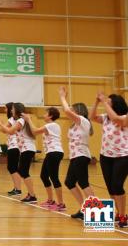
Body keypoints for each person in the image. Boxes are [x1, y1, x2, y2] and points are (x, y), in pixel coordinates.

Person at [59, 86, 96, 220]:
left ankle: (95, 211)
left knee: (83, 183)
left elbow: (66, 110)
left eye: (74, 110)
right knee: (69, 182)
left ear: (78, 111)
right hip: (75, 156)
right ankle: (84, 209)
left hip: (81, 155)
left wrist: (63, 97)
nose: (71, 113)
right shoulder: (75, 125)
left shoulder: (83, 121)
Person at [92, 92, 128, 228]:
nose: (106, 102)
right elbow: (92, 117)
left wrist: (104, 102)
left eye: (109, 101)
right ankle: (119, 213)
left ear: (115, 103)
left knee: (118, 185)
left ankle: (124, 215)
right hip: (105, 156)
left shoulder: (125, 116)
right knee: (111, 188)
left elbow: (117, 119)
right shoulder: (105, 117)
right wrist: (96, 102)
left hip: (123, 156)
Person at [24, 107, 66, 211]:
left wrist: (29, 119)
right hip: (51, 153)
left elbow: (35, 131)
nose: (44, 115)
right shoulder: (50, 126)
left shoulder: (51, 125)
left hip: (54, 152)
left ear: (51, 116)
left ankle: (61, 204)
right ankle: (51, 200)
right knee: (44, 176)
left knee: (54, 177)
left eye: (46, 113)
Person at [0, 103, 37, 203]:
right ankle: (30, 194)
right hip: (25, 149)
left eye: (13, 109)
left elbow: (10, 131)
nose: (11, 111)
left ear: (17, 110)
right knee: (22, 171)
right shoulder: (21, 120)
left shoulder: (21, 120)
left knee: (23, 171)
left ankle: (32, 195)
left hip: (27, 148)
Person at [1, 102, 22, 196]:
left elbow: (5, 129)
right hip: (11, 145)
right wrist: (2, 125)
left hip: (15, 145)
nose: (5, 110)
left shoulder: (17, 120)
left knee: (12, 167)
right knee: (12, 168)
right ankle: (16, 188)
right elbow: (3, 129)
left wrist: (0, 124)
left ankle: (18, 189)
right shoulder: (11, 119)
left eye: (6, 108)